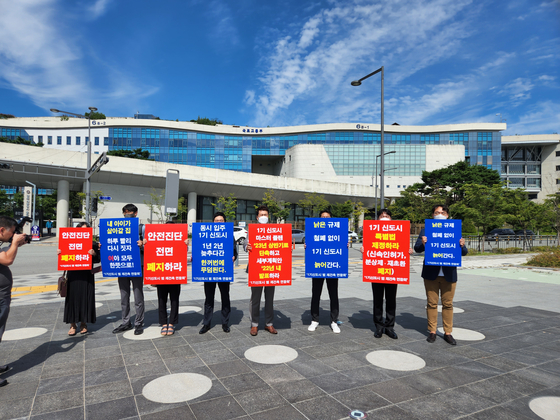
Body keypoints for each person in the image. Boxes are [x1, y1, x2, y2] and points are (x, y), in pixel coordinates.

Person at [414, 204, 468, 345]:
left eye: (442, 212)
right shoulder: (426, 230)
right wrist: (423, 243)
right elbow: (417, 249)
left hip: (449, 273)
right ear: (432, 215)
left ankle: (448, 332)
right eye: (437, 212)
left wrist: (462, 244)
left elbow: (464, 252)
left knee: (448, 304)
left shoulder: (454, 230)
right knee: (431, 303)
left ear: (447, 216)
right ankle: (432, 331)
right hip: (431, 273)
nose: (440, 214)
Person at [360, 209, 412, 339]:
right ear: (377, 219)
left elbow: (401, 247)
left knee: (391, 301)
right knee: (377, 301)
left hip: (393, 272)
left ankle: (389, 327)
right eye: (382, 216)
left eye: (387, 216)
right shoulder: (372, 232)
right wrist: (364, 250)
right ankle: (378, 326)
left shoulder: (398, 231)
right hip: (376, 272)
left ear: (391, 219)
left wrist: (408, 250)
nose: (384, 217)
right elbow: (369, 250)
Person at [143, 221, 187, 336]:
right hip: (161, 275)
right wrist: (146, 243)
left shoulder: (179, 240)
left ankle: (171, 323)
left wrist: (185, 244)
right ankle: (163, 323)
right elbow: (150, 252)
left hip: (175, 275)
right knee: (161, 300)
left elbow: (182, 254)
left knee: (174, 300)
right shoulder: (157, 239)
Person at [0, 216, 28, 387]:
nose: (13, 235)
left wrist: (15, 244)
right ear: (1, 230)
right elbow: (7, 260)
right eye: (11, 232)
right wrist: (15, 244)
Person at [199, 212, 238, 334]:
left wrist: (233, 257)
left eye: (221, 220)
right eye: (217, 220)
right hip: (209, 270)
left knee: (225, 297)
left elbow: (234, 251)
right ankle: (206, 323)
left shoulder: (229, 235)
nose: (219, 222)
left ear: (225, 223)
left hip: (223, 270)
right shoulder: (206, 234)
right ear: (213, 222)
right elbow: (199, 249)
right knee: (209, 298)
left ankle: (225, 323)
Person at [59, 222, 100, 336]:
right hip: (73, 274)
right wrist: (60, 253)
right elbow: (64, 256)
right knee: (72, 298)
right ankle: (72, 325)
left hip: (87, 274)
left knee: (86, 298)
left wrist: (94, 254)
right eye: (82, 230)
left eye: (87, 230)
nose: (84, 232)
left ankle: (83, 324)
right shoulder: (68, 241)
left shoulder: (93, 244)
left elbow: (99, 259)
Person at [245, 205, 280, 336]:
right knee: (255, 298)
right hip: (256, 268)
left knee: (269, 298)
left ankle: (269, 324)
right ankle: (254, 325)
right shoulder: (252, 229)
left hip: (271, 267)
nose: (263, 217)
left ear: (268, 216)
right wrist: (247, 246)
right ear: (257, 217)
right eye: (261, 215)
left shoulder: (275, 230)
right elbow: (244, 243)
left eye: (265, 215)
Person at [112, 204, 145, 336]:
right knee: (124, 296)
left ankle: (139, 323)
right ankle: (126, 322)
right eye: (125, 212)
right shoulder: (117, 228)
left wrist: (142, 245)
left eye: (130, 212)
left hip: (137, 266)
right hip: (122, 266)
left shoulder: (142, 228)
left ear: (135, 213)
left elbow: (150, 246)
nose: (128, 214)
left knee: (138, 296)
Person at [307, 209, 341, 334]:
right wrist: (307, 246)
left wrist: (345, 245)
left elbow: (342, 245)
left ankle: (334, 321)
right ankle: (314, 320)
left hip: (332, 266)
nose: (325, 219)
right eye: (323, 217)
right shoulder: (314, 231)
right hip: (317, 266)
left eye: (327, 217)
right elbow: (309, 246)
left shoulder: (337, 231)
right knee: (316, 294)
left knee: (333, 295)